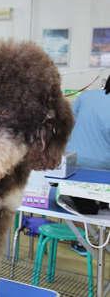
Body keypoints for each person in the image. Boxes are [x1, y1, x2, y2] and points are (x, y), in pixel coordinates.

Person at [65, 76, 110, 256]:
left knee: (76, 208)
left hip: (71, 166)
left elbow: (69, 123)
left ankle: (85, 238)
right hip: (103, 170)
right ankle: (96, 238)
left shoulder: (86, 96)